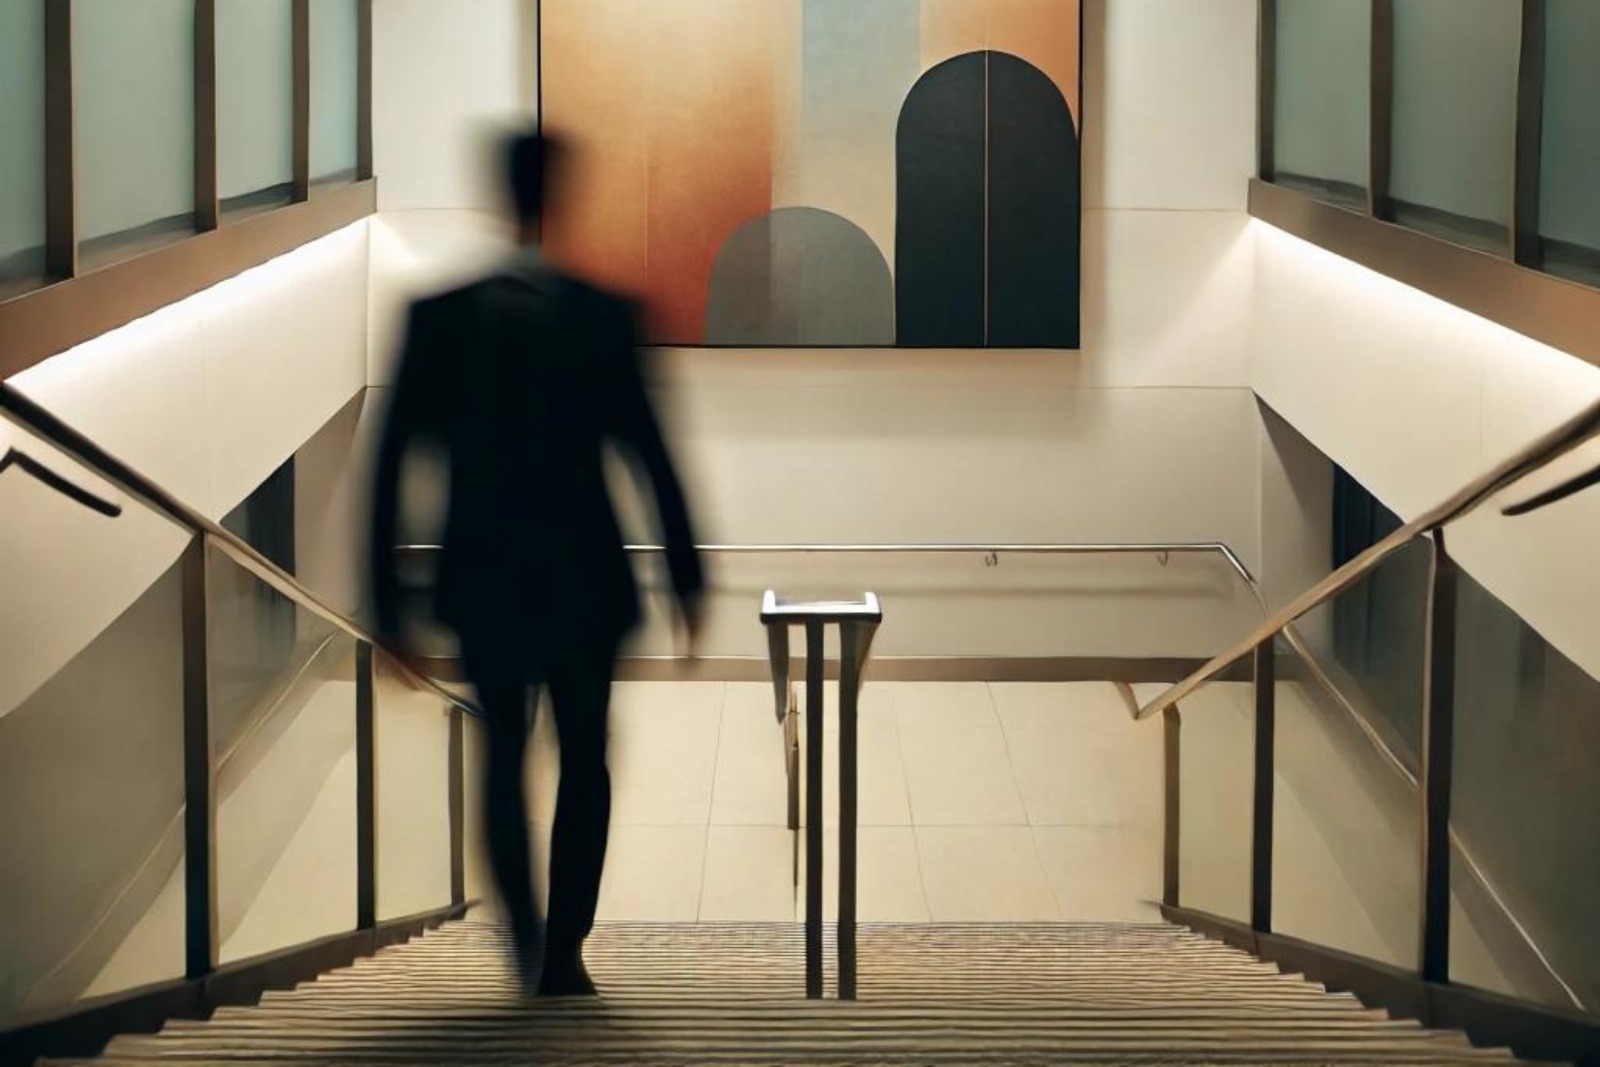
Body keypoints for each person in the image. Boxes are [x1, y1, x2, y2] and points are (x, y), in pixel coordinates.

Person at [368, 129, 704, 996]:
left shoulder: (435, 317)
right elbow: (651, 454)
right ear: (560, 195)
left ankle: (523, 936)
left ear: (496, 191)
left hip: (485, 580)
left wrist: (386, 605)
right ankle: (565, 948)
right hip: (585, 582)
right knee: (585, 760)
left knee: (504, 761)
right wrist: (686, 575)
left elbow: (392, 462)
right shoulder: (603, 315)